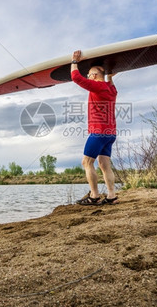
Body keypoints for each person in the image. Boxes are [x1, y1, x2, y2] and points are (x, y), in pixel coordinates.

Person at [70, 50, 119, 205]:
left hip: (98, 132)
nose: (88, 77)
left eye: (89, 74)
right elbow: (112, 86)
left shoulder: (96, 86)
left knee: (87, 162)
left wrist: (74, 61)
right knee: (105, 165)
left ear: (95, 76)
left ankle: (95, 196)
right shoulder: (111, 90)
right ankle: (111, 196)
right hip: (110, 133)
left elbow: (75, 77)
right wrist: (110, 77)